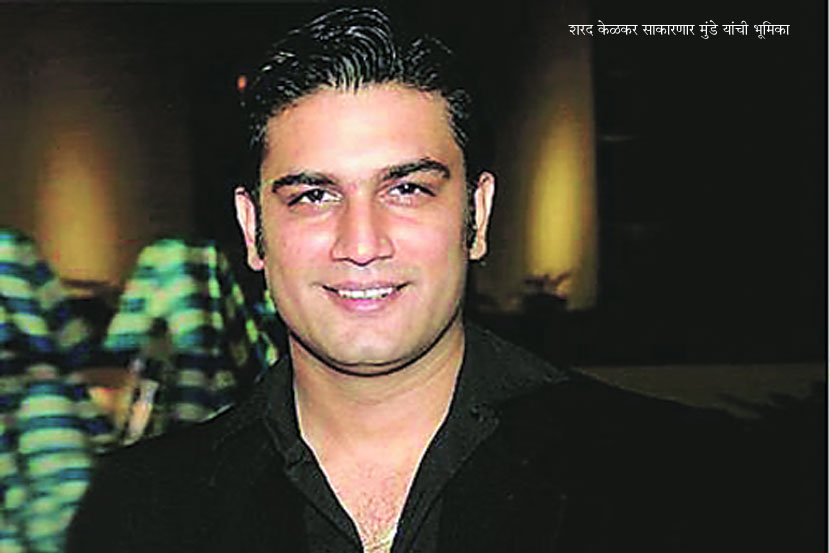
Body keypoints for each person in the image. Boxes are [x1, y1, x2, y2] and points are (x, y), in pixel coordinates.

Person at [68, 7, 767, 553]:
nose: (361, 243)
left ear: (476, 214)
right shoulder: (139, 512)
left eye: (406, 189)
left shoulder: (675, 481)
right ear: (253, 230)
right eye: (313, 195)